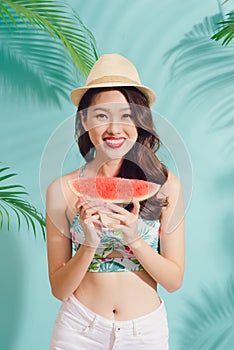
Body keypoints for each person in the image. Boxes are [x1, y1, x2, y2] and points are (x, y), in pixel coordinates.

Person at [46, 53, 185, 350]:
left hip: (145, 332)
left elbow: (173, 281)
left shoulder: (165, 185)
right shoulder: (62, 190)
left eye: (126, 115)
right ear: (84, 120)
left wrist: (134, 238)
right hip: (79, 330)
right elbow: (59, 289)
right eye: (101, 115)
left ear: (140, 120)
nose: (114, 128)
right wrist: (89, 243)